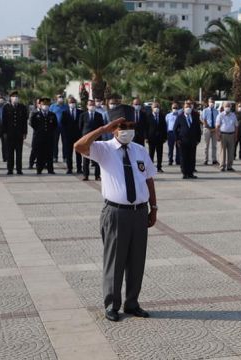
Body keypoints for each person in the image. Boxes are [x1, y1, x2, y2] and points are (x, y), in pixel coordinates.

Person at [74, 118, 158, 322]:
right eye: (122, 127)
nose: (127, 131)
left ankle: (132, 303)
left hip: (139, 212)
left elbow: (148, 179)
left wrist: (153, 207)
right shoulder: (104, 149)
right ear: (114, 129)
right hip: (116, 212)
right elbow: (79, 146)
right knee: (115, 260)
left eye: (131, 127)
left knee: (137, 260)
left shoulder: (139, 150)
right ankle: (112, 304)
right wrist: (102, 129)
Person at [2, 91, 29, 175]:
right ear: (10, 98)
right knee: (10, 153)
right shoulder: (6, 107)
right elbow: (4, 121)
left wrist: (24, 132)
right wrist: (4, 132)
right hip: (9, 134)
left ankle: (19, 169)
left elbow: (24, 121)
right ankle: (10, 169)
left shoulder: (22, 107)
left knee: (19, 153)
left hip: (19, 134)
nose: (15, 98)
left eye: (16, 96)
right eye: (13, 96)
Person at [30, 98, 58, 174]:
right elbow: (32, 124)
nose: (45, 106)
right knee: (40, 154)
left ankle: (50, 169)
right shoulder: (36, 115)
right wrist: (39, 130)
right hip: (39, 137)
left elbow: (55, 125)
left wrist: (50, 132)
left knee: (49, 154)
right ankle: (39, 169)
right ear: (40, 105)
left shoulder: (52, 115)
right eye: (43, 105)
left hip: (49, 137)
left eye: (47, 105)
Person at [174, 102, 201, 179]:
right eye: (186, 107)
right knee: (183, 157)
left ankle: (191, 173)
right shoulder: (180, 117)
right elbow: (175, 129)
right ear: (183, 108)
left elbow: (198, 129)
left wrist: (198, 140)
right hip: (183, 141)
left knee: (192, 157)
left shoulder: (195, 117)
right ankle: (184, 173)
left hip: (193, 141)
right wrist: (177, 139)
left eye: (189, 107)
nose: (188, 108)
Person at [79, 100, 104, 181]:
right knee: (86, 158)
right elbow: (80, 126)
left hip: (97, 139)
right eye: (90, 105)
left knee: (96, 158)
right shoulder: (83, 115)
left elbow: (102, 127)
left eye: (93, 105)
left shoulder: (99, 115)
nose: (92, 106)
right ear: (87, 106)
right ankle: (85, 175)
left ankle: (97, 175)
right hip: (86, 139)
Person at [61, 97, 82, 174]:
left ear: (75, 103)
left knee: (78, 153)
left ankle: (79, 168)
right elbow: (62, 125)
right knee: (68, 153)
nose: (72, 104)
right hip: (68, 136)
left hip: (78, 136)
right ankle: (69, 168)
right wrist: (64, 135)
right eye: (70, 102)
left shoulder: (80, 112)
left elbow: (81, 124)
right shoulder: (65, 112)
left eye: (73, 102)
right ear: (68, 103)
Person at [216, 102, 237, 172]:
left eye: (228, 106)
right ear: (223, 107)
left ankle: (229, 166)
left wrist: (235, 136)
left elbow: (236, 126)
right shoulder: (220, 115)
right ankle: (222, 166)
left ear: (230, 107)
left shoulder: (233, 115)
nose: (227, 107)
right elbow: (217, 126)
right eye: (226, 106)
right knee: (222, 151)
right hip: (223, 135)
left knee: (231, 151)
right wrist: (218, 135)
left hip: (231, 134)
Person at [146, 102, 167, 172]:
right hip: (151, 138)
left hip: (160, 138)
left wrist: (165, 137)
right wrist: (146, 137)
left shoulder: (162, 116)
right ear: (152, 108)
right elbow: (146, 127)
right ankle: (150, 167)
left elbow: (164, 127)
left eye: (157, 106)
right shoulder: (148, 116)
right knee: (151, 153)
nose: (156, 108)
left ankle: (159, 167)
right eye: (155, 107)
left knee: (159, 153)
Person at [49, 94, 68, 162]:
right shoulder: (52, 106)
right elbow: (49, 116)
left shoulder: (66, 107)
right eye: (59, 97)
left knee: (65, 143)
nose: (61, 98)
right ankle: (55, 157)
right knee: (54, 143)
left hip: (64, 128)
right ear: (56, 98)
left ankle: (65, 157)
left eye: (62, 97)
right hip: (55, 128)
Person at [200, 98, 218, 165]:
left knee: (214, 146)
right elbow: (204, 120)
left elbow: (217, 120)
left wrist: (215, 129)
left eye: (213, 102)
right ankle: (206, 159)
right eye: (210, 102)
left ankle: (214, 159)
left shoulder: (216, 111)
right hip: (207, 129)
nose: (212, 103)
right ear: (208, 102)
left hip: (214, 129)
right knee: (206, 145)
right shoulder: (205, 110)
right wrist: (208, 127)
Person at [28, 98, 41, 169]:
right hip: (36, 133)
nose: (40, 104)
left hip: (44, 134)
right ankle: (31, 163)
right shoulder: (34, 111)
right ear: (36, 104)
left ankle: (41, 163)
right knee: (34, 149)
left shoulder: (46, 111)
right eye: (38, 103)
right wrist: (37, 128)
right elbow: (30, 122)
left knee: (43, 149)